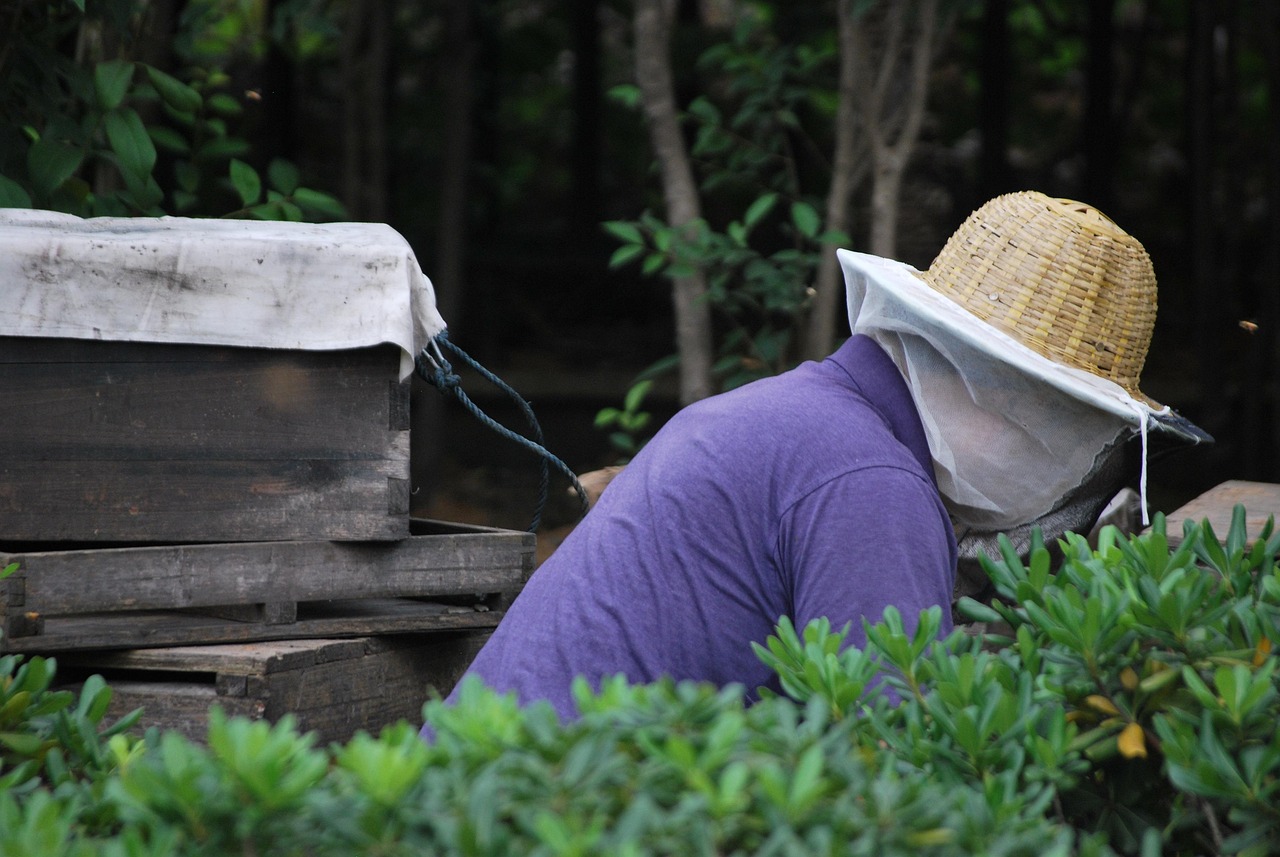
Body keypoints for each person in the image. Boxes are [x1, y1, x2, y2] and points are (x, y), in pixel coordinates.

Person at [422, 191, 1209, 729]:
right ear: (978, 378)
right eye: (1053, 414)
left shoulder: (803, 417)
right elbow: (893, 766)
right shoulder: (871, 484)